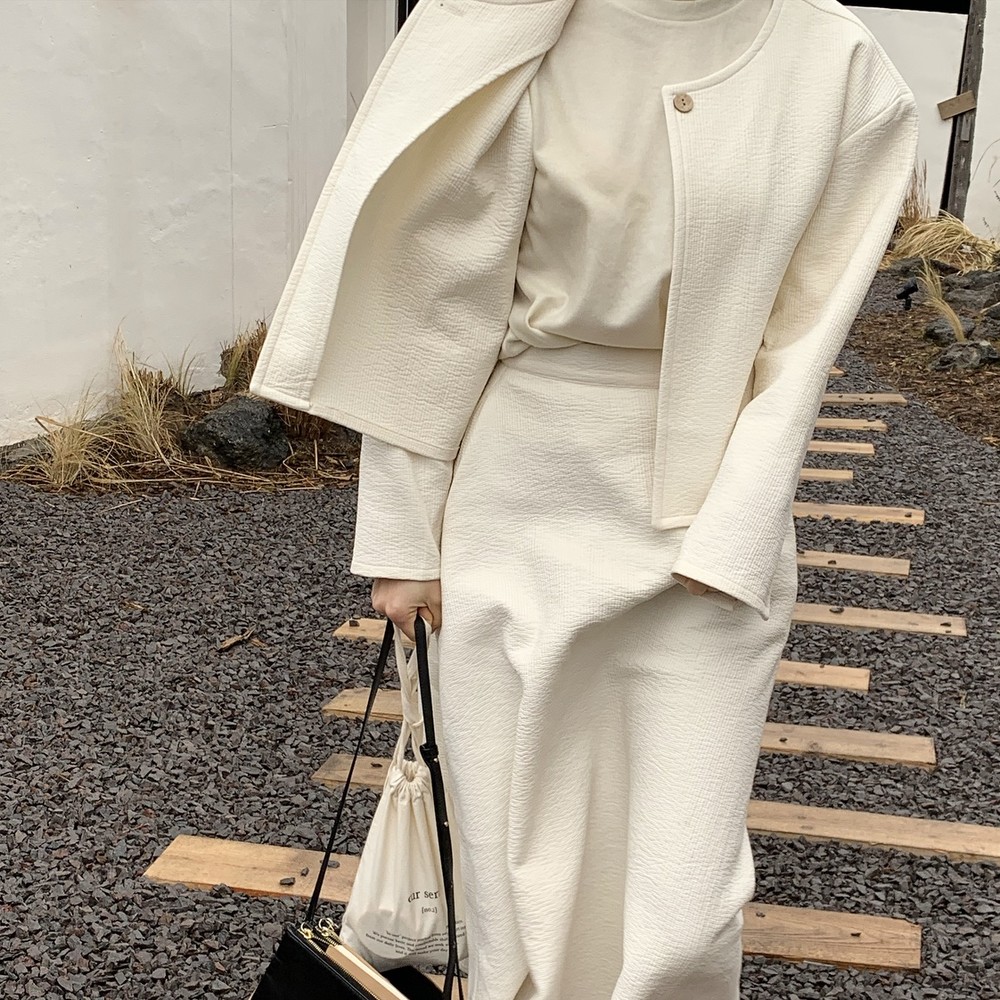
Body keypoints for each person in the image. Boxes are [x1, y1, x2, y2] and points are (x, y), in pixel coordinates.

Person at [249, 1, 920, 996]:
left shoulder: (837, 62)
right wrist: (404, 537)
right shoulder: (513, 29)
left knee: (686, 905)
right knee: (510, 872)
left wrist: (736, 530)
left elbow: (804, 339)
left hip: (708, 515)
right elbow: (433, 303)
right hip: (516, 501)